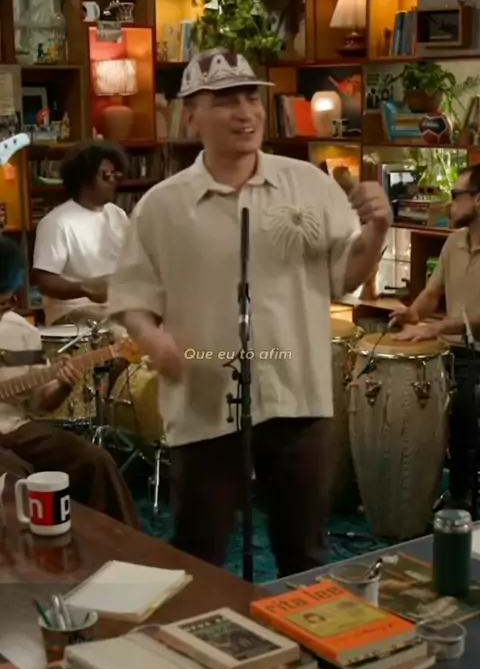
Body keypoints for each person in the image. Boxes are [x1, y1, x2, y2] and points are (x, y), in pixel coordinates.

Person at [108, 48, 392, 576]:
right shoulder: (161, 206)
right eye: (225, 101)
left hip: (297, 393)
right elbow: (133, 300)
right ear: (191, 115)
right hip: (205, 398)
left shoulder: (309, 184)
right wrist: (154, 341)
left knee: (304, 554)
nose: (245, 113)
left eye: (251, 98)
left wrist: (376, 232)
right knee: (199, 555)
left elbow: (345, 276)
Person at [0, 235, 139, 528]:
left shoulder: (20, 332)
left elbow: (42, 402)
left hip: (16, 427)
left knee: (95, 461)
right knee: (13, 478)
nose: (3, 311)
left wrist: (63, 385)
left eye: (5, 303)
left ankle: (121, 546)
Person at [390, 164, 480, 510]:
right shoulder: (454, 243)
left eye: (456, 195)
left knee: (465, 414)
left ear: (477, 200)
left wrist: (436, 327)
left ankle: (462, 501)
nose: (448, 204)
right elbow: (432, 293)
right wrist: (412, 313)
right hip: (451, 351)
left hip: (477, 355)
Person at [32, 140, 129, 326]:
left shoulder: (118, 215)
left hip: (116, 306)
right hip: (73, 312)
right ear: (84, 179)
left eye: (116, 175)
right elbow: (44, 280)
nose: (113, 181)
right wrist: (85, 288)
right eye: (106, 175)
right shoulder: (57, 222)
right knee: (127, 325)